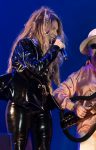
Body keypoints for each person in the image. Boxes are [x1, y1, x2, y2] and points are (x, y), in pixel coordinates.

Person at [5, 6, 65, 150]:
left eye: (57, 30)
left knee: (44, 146)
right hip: (21, 104)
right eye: (53, 29)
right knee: (20, 146)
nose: (56, 34)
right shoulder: (25, 44)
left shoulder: (47, 54)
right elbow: (36, 68)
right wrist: (55, 49)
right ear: (43, 27)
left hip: (42, 106)